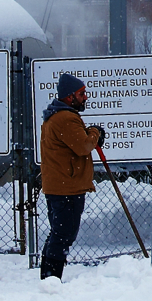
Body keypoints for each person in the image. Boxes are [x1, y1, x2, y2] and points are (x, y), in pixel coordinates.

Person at [38, 73, 105, 280]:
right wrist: (95, 133)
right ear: (69, 96)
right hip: (66, 187)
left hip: (60, 185)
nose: (85, 97)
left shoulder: (57, 116)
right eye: (81, 94)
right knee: (64, 234)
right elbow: (83, 146)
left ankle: (49, 276)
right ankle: (51, 278)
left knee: (59, 233)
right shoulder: (66, 118)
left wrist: (91, 134)